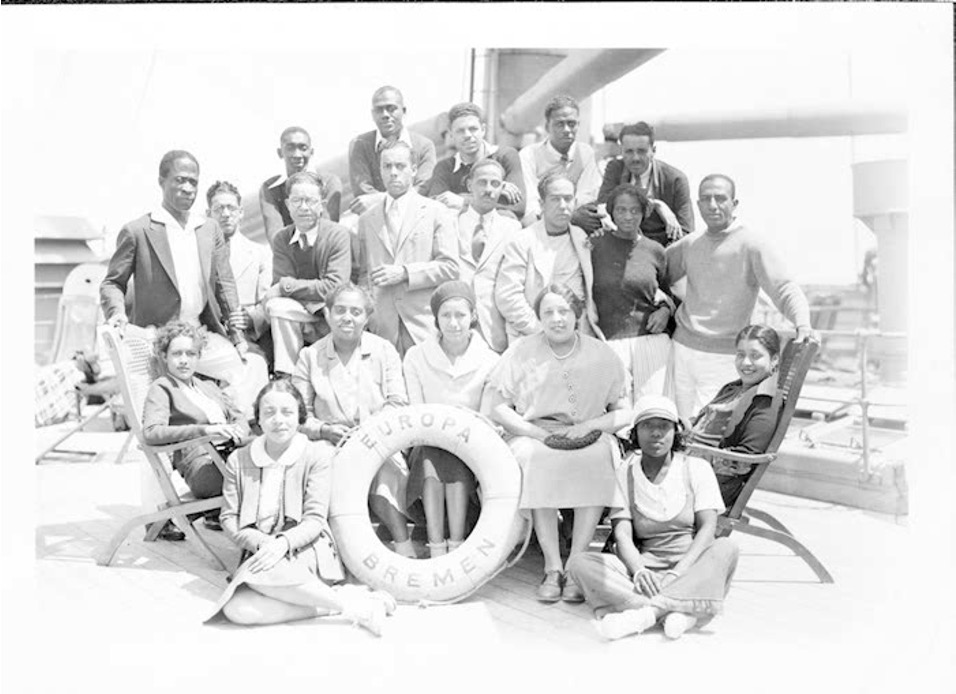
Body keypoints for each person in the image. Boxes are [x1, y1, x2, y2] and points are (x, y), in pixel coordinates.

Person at [207, 380, 396, 634]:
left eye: (287, 413)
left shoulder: (316, 455)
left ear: (299, 418)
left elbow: (315, 519)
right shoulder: (238, 459)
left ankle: (352, 608)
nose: (278, 420)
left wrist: (282, 543)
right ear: (259, 419)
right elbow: (229, 518)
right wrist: (262, 543)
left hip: (306, 546)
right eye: (269, 413)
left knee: (265, 574)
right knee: (237, 611)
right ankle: (349, 604)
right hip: (261, 549)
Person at [490, 285, 632, 603]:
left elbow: (623, 411)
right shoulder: (521, 351)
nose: (557, 319)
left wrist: (589, 426)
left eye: (564, 311)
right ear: (539, 317)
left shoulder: (602, 354)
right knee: (536, 459)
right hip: (536, 434)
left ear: (576, 314)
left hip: (589, 432)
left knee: (598, 457)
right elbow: (497, 407)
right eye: (548, 312)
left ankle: (576, 565)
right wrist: (537, 434)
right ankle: (553, 566)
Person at [100, 149, 267, 417]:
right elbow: (111, 283)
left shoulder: (208, 229)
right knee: (174, 400)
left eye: (193, 181)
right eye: (180, 180)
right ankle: (207, 429)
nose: (188, 188)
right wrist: (117, 314)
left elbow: (224, 285)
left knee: (252, 366)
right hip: (158, 339)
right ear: (161, 181)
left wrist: (237, 337)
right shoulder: (138, 231)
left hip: (200, 334)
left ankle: (231, 431)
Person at [567, 394, 739, 641]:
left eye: (664, 426)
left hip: (691, 566)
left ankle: (647, 614)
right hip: (647, 569)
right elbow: (622, 534)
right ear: (635, 433)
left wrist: (678, 572)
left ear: (676, 432)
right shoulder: (624, 472)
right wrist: (638, 570)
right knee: (580, 563)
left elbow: (707, 529)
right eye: (647, 426)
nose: (656, 433)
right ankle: (681, 611)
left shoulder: (696, 468)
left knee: (726, 548)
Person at [664, 174, 813, 420]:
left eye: (720, 198)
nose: (713, 205)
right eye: (706, 199)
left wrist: (803, 323)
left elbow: (784, 287)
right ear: (698, 205)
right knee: (677, 427)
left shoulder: (752, 244)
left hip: (724, 357)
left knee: (707, 430)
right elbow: (654, 274)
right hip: (681, 350)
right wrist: (663, 305)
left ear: (734, 204)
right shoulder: (689, 245)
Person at [292, 284, 417, 559]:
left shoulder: (384, 351)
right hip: (329, 444)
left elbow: (398, 403)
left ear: (366, 317)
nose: (347, 318)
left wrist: (368, 432)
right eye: (340, 310)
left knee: (387, 473)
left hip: (378, 439)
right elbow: (300, 415)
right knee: (324, 473)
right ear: (327, 314)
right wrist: (324, 429)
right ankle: (337, 553)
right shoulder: (310, 357)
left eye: (356, 311)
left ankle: (403, 545)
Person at [403, 281, 499, 557]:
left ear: (473, 317)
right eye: (446, 315)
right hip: (427, 440)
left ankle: (456, 543)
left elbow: (487, 414)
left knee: (455, 463)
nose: (454, 323)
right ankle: (436, 545)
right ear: (436, 319)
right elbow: (416, 410)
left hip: (471, 444)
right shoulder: (416, 357)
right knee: (430, 460)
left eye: (460, 315)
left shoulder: (491, 360)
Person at [142, 321, 251, 538]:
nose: (184, 360)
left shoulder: (206, 386)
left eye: (190, 353)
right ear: (164, 356)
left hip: (230, 456)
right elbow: (152, 432)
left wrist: (239, 433)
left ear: (198, 356)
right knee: (265, 473)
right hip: (202, 466)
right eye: (177, 354)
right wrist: (204, 431)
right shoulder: (163, 388)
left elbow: (238, 416)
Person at [355, 140, 459, 357]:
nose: (393, 173)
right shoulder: (366, 220)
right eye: (387, 166)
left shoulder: (436, 212)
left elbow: (450, 267)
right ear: (380, 170)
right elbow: (364, 275)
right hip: (382, 328)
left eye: (400, 166)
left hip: (423, 324)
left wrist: (404, 273)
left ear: (413, 169)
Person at [495, 172, 601, 347]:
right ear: (541, 204)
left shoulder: (581, 236)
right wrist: (544, 331)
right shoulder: (522, 240)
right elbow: (508, 297)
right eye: (554, 199)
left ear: (575, 202)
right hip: (534, 337)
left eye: (568, 199)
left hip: (578, 337)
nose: (562, 206)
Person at [590, 184, 673, 402]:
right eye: (621, 210)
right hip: (608, 342)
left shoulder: (656, 250)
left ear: (644, 213)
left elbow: (668, 293)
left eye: (635, 210)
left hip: (650, 342)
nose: (628, 216)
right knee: (617, 413)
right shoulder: (594, 245)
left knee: (652, 408)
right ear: (612, 212)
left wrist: (665, 310)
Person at [264, 171, 352, 377]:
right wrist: (291, 289)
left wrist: (288, 286)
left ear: (321, 204)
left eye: (310, 201)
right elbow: (282, 286)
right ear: (287, 205)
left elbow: (335, 288)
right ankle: (288, 375)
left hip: (333, 315)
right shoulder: (282, 239)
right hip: (303, 315)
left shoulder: (337, 234)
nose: (303, 207)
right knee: (276, 306)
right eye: (297, 200)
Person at [686, 325, 782, 506]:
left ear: (774, 359)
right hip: (690, 469)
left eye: (755, 355)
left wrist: (688, 460)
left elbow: (744, 459)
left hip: (711, 484)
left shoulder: (765, 400)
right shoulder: (733, 388)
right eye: (740, 354)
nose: (745, 362)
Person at [578, 121, 694, 246]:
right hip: (622, 242)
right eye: (629, 152)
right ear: (621, 152)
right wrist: (656, 204)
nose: (635, 158)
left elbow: (686, 232)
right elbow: (602, 208)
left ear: (653, 151)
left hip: (659, 249)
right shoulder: (616, 168)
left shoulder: (675, 179)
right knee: (579, 218)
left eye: (641, 151)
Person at [455, 158, 521, 353]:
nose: (488, 189)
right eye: (482, 182)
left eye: (495, 184)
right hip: (456, 327)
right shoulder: (451, 223)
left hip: (495, 330)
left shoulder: (512, 229)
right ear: (469, 185)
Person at [206, 181, 274, 366]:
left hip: (252, 336)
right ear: (208, 215)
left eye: (231, 208)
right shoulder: (200, 256)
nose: (226, 214)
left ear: (241, 212)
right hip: (213, 336)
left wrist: (252, 319)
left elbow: (268, 299)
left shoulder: (261, 253)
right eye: (218, 209)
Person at [425, 102, 526, 219]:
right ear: (451, 134)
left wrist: (462, 201)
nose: (467, 135)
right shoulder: (445, 167)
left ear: (483, 130)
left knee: (507, 216)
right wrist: (494, 192)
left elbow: (518, 206)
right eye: (460, 131)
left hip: (495, 229)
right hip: (458, 229)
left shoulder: (505, 156)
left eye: (473, 129)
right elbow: (435, 206)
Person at [348, 85, 437, 216]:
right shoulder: (359, 144)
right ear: (372, 114)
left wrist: (382, 199)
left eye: (391, 109)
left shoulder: (424, 146)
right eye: (379, 110)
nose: (385, 115)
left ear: (404, 111)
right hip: (374, 215)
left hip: (413, 214)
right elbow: (363, 190)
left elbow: (423, 188)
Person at [518, 95, 602, 226]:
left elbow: (586, 197)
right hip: (539, 225)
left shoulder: (586, 153)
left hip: (577, 226)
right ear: (547, 127)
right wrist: (569, 216)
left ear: (578, 125)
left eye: (571, 124)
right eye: (559, 124)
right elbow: (531, 204)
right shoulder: (529, 155)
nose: (567, 130)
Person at [259, 126, 343, 242]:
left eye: (303, 148)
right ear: (280, 153)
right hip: (288, 255)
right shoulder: (270, 188)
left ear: (311, 152)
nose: (297, 154)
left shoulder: (329, 182)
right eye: (290, 148)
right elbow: (275, 234)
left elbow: (327, 230)